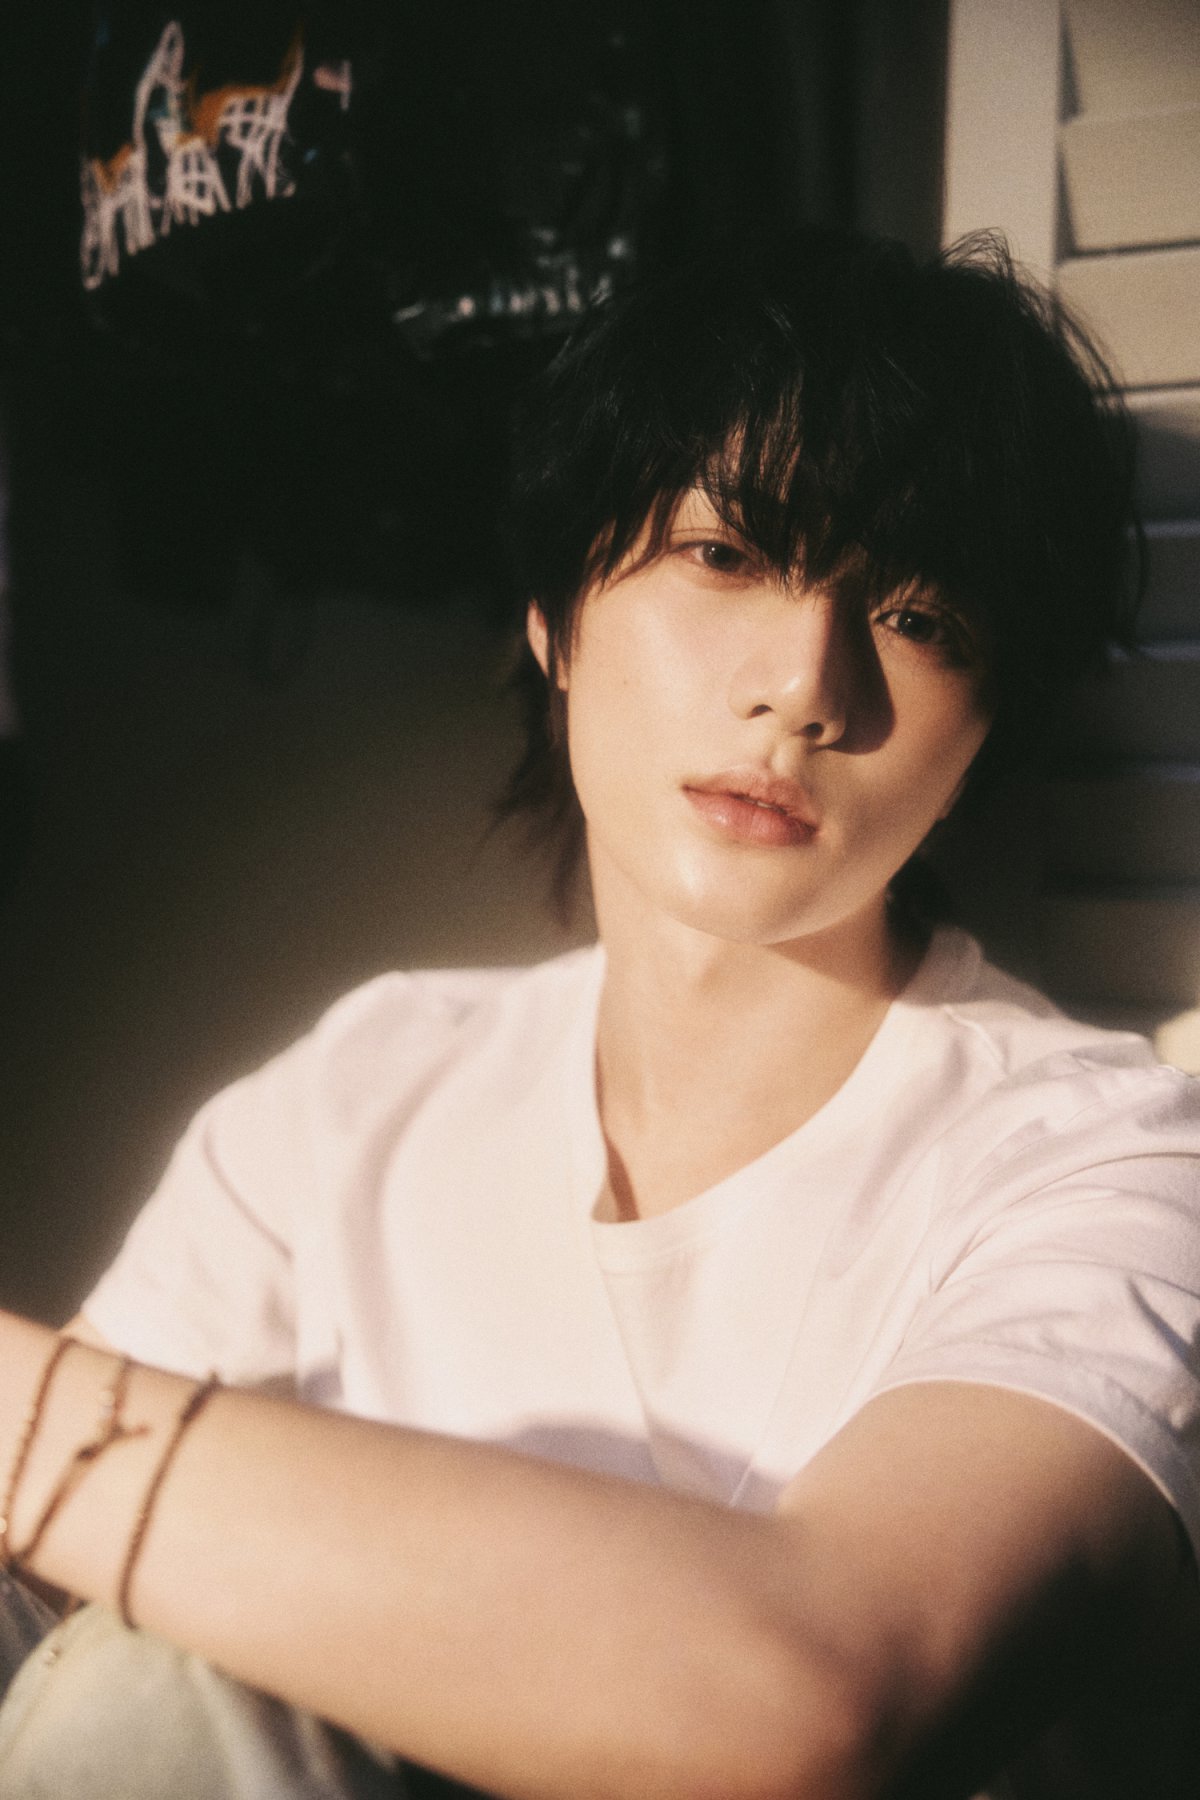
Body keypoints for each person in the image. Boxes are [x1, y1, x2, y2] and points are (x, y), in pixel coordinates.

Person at [0, 224, 1197, 1800]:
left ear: (985, 737)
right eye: (728, 555)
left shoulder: (1109, 1165)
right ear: (554, 616)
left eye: (922, 619)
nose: (806, 686)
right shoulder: (361, 1091)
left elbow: (815, 1698)